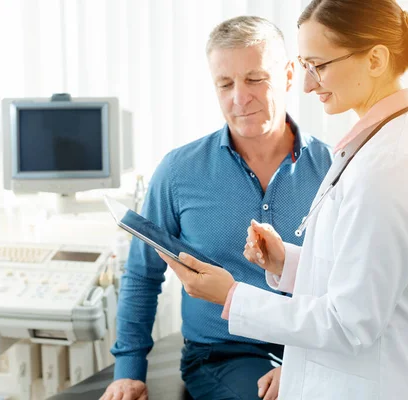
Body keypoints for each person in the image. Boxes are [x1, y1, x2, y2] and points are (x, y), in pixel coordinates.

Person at [158, 1, 408, 399]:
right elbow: (364, 272)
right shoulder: (378, 146)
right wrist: (286, 262)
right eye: (306, 66)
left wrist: (231, 294)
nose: (308, 84)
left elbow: (349, 322)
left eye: (318, 65)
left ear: (375, 59)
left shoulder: (392, 164)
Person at [100, 16, 332, 400]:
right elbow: (143, 276)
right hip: (222, 354)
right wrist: (129, 370)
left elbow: (345, 281)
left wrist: (301, 364)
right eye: (225, 84)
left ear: (290, 76)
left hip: (312, 346)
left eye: (256, 79)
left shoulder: (332, 170)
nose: (240, 98)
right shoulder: (179, 172)